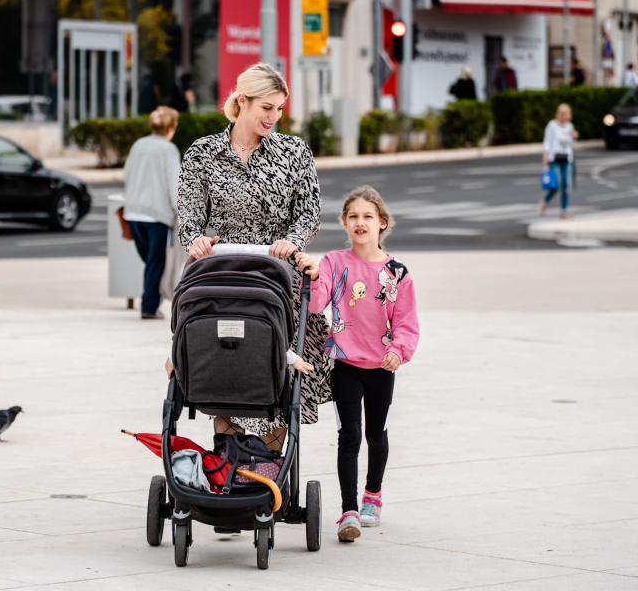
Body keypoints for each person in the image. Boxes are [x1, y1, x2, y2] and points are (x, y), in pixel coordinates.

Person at [170, 62, 331, 450]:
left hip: (276, 276)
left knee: (273, 373)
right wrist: (195, 240)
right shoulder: (202, 153)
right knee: (226, 364)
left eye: (279, 108)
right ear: (242, 100)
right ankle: (228, 460)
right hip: (222, 272)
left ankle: (268, 466)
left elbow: (309, 212)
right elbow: (188, 216)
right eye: (266, 107)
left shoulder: (294, 152)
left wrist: (293, 240)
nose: (274, 117)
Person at [296, 186, 419, 543]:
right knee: (349, 435)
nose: (360, 222)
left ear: (382, 223)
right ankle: (348, 510)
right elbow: (317, 305)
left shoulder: (397, 273)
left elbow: (407, 322)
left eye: (368, 216)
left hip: (382, 367)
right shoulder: (334, 262)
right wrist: (315, 276)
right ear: (345, 224)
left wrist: (400, 350)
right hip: (345, 365)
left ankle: (372, 495)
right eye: (353, 217)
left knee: (375, 435)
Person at [123, 107, 181, 319]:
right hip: (157, 215)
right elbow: (174, 183)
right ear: (170, 128)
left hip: (134, 213)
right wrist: (179, 210)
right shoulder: (168, 149)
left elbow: (126, 174)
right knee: (158, 261)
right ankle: (149, 307)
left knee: (150, 261)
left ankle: (149, 302)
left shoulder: (138, 145)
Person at [539, 103, 579, 219]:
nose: (565, 116)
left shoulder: (569, 126)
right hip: (554, 158)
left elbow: (571, 144)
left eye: (567, 114)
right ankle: (544, 202)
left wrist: (574, 136)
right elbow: (547, 141)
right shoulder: (552, 125)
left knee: (567, 184)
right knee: (557, 184)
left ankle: (564, 211)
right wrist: (545, 154)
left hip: (567, 158)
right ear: (559, 114)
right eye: (563, 114)